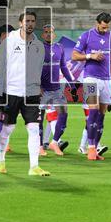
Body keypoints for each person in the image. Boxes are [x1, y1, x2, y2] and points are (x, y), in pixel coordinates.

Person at [0, 11, 47, 176]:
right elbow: (0, 67)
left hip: (31, 93)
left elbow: (38, 69)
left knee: (34, 128)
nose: (30, 24)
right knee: (8, 129)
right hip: (11, 92)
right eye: (27, 21)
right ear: (20, 23)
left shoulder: (39, 45)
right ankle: (0, 160)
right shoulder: (9, 41)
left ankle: (34, 167)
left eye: (32, 21)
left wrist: (39, 87)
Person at [72, 12, 111, 161]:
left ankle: (95, 148)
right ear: (97, 23)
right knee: (93, 112)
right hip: (90, 78)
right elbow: (74, 55)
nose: (105, 30)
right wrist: (91, 56)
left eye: (107, 27)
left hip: (106, 80)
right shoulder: (87, 36)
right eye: (102, 27)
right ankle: (89, 148)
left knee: (102, 116)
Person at [39, 24, 73, 156]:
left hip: (56, 89)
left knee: (63, 115)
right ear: (43, 35)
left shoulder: (60, 48)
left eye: (51, 32)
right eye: (46, 32)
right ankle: (40, 146)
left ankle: (54, 142)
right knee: (39, 119)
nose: (48, 34)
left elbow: (63, 66)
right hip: (42, 90)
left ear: (55, 35)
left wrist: (72, 83)